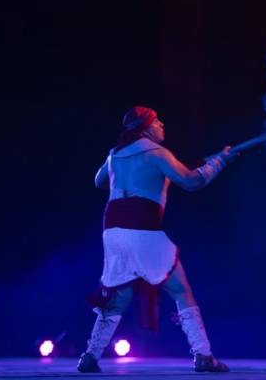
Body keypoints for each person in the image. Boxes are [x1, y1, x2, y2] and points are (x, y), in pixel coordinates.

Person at [77, 106, 234, 373]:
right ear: (145, 127)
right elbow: (192, 182)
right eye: (157, 121)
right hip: (142, 227)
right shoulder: (157, 153)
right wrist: (219, 162)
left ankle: (90, 356)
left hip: (113, 230)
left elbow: (98, 181)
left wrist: (130, 177)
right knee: (181, 290)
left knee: (119, 296)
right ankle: (203, 355)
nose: (162, 124)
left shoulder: (114, 154)